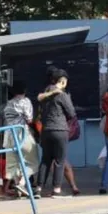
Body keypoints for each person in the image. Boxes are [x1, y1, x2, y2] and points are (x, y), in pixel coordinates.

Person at [36, 69, 77, 197]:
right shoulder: (62, 95)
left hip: (46, 130)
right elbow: (71, 113)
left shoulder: (44, 94)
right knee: (60, 160)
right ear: (62, 81)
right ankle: (56, 190)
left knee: (45, 160)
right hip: (60, 130)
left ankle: (38, 189)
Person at [2, 80, 39, 198]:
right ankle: (22, 183)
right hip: (22, 134)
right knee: (33, 162)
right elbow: (29, 119)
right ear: (24, 91)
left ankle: (18, 188)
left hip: (8, 136)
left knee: (13, 165)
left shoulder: (8, 104)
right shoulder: (25, 101)